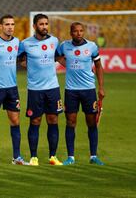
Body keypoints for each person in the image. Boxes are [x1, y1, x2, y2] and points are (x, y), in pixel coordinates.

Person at [18, 13, 63, 166]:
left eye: (46, 24)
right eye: (41, 24)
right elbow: (20, 60)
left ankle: (53, 156)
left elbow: (58, 57)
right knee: (35, 120)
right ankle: (34, 157)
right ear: (34, 26)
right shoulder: (25, 44)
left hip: (52, 88)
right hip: (35, 89)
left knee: (53, 120)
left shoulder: (54, 41)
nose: (44, 27)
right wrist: (31, 67)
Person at [57, 22, 105, 165]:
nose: (79, 33)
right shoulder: (64, 46)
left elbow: (98, 66)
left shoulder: (91, 47)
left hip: (88, 90)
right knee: (70, 122)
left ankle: (93, 156)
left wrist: (101, 87)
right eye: (75, 31)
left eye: (81, 31)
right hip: (71, 90)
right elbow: (57, 57)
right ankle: (70, 157)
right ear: (71, 33)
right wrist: (68, 65)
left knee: (91, 123)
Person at [0, 14, 27, 166]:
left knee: (15, 121)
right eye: (7, 24)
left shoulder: (17, 42)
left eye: (12, 24)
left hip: (12, 88)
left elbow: (21, 57)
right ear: (1, 26)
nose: (10, 27)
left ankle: (17, 157)